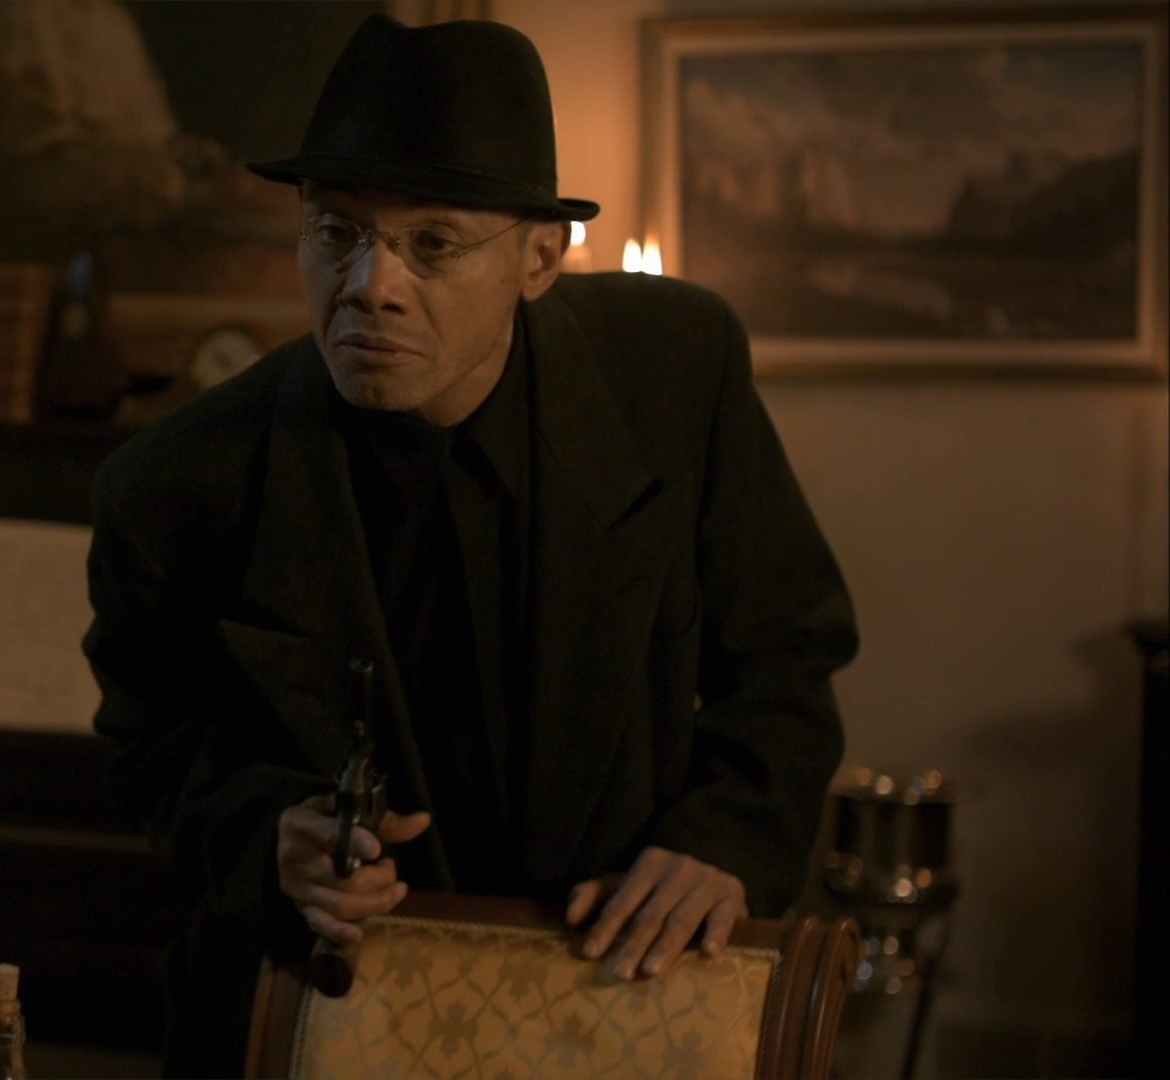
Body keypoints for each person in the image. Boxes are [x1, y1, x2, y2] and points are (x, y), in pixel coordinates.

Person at [83, 14, 858, 1076]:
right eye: (337, 231)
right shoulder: (174, 483)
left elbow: (787, 653)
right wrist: (270, 839)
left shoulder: (677, 374)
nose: (371, 284)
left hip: (617, 991)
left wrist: (725, 839)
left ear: (540, 258)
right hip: (317, 1014)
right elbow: (149, 744)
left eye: (433, 244)